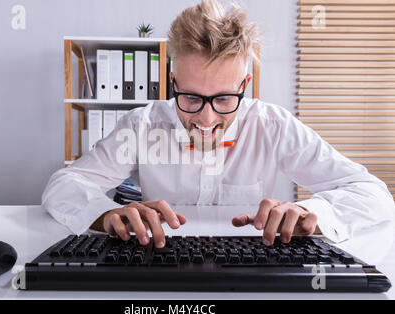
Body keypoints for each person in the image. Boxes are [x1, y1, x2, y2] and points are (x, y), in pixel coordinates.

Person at [42, 0, 394, 249]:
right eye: (192, 98)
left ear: (244, 86)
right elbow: (64, 185)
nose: (207, 120)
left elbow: (373, 195)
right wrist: (105, 215)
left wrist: (310, 211)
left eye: (224, 99)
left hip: (255, 272)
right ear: (173, 81)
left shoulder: (273, 125)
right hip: (159, 268)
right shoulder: (142, 125)